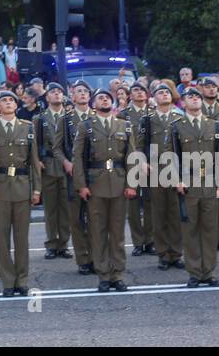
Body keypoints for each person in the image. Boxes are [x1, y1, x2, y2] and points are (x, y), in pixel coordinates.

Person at [0, 89, 40, 297]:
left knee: (22, 239)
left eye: (11, 100)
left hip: (22, 187)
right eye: (4, 100)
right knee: (1, 238)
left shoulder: (28, 128)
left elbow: (34, 162)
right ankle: (8, 281)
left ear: (16, 105)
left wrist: (37, 189)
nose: (9, 103)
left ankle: (22, 280)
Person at [73, 87, 135, 291]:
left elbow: (131, 157)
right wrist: (81, 185)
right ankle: (103, 275)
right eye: (100, 98)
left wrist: (131, 184)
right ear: (93, 104)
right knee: (98, 232)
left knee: (117, 233)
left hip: (118, 183)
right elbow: (78, 158)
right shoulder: (86, 126)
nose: (105, 100)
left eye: (108, 98)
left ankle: (117, 274)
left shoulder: (124, 126)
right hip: (95, 184)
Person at [171, 85, 219, 288]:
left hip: (210, 183)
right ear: (183, 103)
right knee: (191, 229)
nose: (195, 99)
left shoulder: (214, 126)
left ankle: (209, 271)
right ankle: (195, 272)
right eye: (190, 97)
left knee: (210, 229)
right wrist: (177, 179)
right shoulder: (177, 126)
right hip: (189, 184)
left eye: (198, 97)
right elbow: (173, 156)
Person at [145, 82, 185, 271]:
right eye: (160, 93)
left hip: (176, 168)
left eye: (167, 93)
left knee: (175, 213)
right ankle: (163, 254)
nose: (164, 95)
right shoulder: (148, 119)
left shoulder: (180, 117)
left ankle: (176, 253)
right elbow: (139, 144)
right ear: (154, 98)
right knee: (159, 213)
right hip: (156, 169)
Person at [60, 80, 94, 274]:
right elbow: (56, 147)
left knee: (95, 219)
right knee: (77, 218)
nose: (82, 94)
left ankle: (96, 257)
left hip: (94, 174)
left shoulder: (97, 117)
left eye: (85, 91)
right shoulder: (66, 120)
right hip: (73, 174)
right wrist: (65, 161)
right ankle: (83, 259)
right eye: (78, 91)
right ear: (72, 96)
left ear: (89, 97)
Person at [36, 82, 72, 260]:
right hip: (48, 164)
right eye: (53, 92)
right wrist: (37, 161)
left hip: (67, 166)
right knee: (50, 209)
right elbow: (34, 144)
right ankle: (51, 243)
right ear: (47, 97)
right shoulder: (40, 119)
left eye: (60, 92)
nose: (57, 94)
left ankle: (64, 244)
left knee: (65, 208)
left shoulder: (71, 117)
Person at [122, 83, 154, 256]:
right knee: (133, 205)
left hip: (152, 165)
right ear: (130, 95)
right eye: (135, 90)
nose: (140, 92)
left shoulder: (153, 113)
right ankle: (138, 242)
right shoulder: (124, 115)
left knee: (150, 203)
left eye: (142, 90)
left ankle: (150, 240)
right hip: (132, 164)